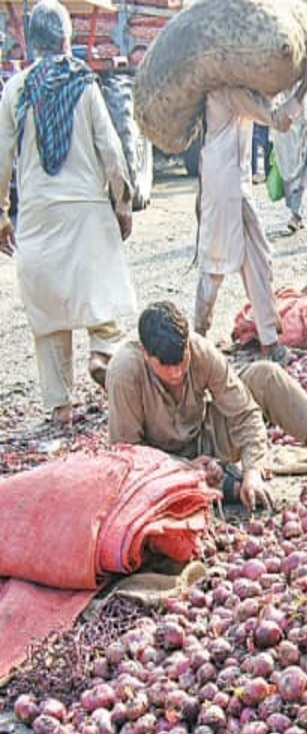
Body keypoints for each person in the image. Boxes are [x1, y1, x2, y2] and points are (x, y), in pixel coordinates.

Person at [107, 302, 307, 511]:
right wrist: (182, 468)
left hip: (207, 439)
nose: (176, 373)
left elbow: (244, 413)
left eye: (182, 363)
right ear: (147, 355)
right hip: (162, 466)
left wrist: (254, 469)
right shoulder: (125, 372)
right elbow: (129, 457)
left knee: (264, 375)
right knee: (159, 490)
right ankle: (221, 483)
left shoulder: (200, 351)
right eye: (166, 367)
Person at [0, 0, 135, 427]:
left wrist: (2, 213)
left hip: (38, 219)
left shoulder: (15, 90)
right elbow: (111, 152)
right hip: (88, 215)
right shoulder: (85, 84)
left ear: (32, 41)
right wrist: (123, 203)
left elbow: (2, 157)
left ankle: (60, 406)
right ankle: (103, 356)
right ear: (66, 39)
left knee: (49, 320)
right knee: (102, 301)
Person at [195, 84, 304, 363]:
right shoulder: (228, 92)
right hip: (226, 189)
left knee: (256, 259)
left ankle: (268, 339)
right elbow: (278, 120)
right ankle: (196, 337)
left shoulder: (226, 89)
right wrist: (303, 87)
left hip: (228, 185)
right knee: (216, 265)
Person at [271, 89, 307, 234]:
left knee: (300, 183)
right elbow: (272, 114)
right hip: (284, 145)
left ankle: (295, 216)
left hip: (303, 141)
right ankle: (297, 214)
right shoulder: (278, 94)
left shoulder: (304, 92)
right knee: (289, 184)